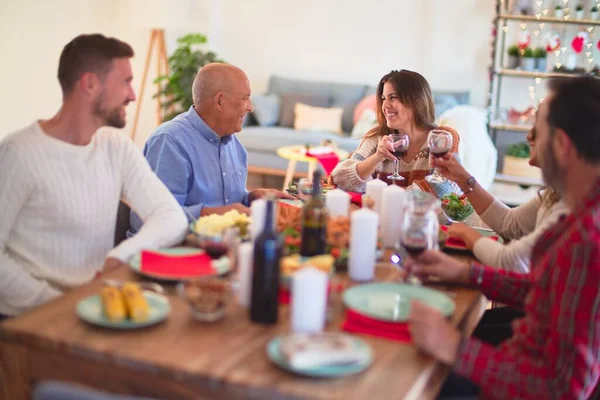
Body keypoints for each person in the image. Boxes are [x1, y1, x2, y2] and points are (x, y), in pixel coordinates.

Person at [407, 76, 600, 399]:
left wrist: (455, 347)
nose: (528, 138)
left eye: (539, 128)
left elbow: (563, 389)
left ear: (563, 146)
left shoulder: (586, 239)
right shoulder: (579, 213)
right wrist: (465, 273)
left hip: (510, 385)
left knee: (404, 371)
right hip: (514, 359)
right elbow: (547, 288)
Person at [0, 34, 188, 317]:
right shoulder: (19, 154)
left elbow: (171, 217)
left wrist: (119, 256)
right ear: (89, 84)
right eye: (125, 81)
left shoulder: (117, 147)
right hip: (29, 320)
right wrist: (57, 304)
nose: (133, 95)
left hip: (95, 306)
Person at [129, 63, 292, 234]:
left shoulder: (234, 146)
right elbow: (147, 219)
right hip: (166, 253)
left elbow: (226, 204)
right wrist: (212, 214)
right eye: (245, 98)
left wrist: (250, 198)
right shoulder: (169, 142)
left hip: (217, 247)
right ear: (220, 101)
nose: (250, 107)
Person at [436, 124, 569, 273]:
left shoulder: (569, 206)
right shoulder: (555, 193)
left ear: (563, 140)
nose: (529, 135)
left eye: (540, 125)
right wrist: (462, 177)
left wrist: (466, 233)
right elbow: (510, 223)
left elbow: (512, 261)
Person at [329, 69, 461, 198]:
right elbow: (338, 179)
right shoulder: (377, 138)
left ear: (415, 101)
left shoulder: (442, 138)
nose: (385, 105)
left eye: (392, 98)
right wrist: (377, 157)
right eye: (383, 98)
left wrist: (386, 195)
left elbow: (445, 188)